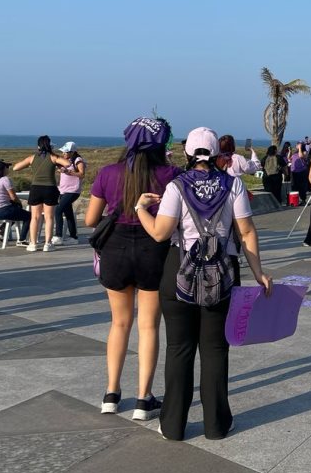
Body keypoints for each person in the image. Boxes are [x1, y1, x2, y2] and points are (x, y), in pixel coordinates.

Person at [135, 127, 272, 441]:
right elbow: (247, 232)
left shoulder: (175, 187)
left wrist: (140, 208)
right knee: (214, 350)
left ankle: (172, 425)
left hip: (178, 272)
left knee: (179, 349)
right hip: (222, 273)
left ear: (187, 153)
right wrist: (259, 272)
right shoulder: (233, 184)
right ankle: (216, 424)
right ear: (217, 153)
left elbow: (159, 232)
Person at [85, 117, 179, 419]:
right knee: (149, 325)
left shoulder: (108, 173)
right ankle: (143, 398)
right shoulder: (171, 174)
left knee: (119, 323)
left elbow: (90, 220)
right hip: (155, 248)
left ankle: (111, 394)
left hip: (116, 248)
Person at [13, 136, 72, 252]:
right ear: (49, 145)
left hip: (36, 189)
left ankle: (33, 244)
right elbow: (68, 163)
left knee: (35, 217)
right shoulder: (53, 157)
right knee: (49, 217)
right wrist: (55, 159)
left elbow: (15, 168)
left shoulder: (32, 157)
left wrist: (30, 164)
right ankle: (47, 244)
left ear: (38, 146)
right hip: (50, 189)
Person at [0, 161, 31, 245]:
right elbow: (13, 197)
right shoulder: (5, 179)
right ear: (3, 169)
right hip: (1, 210)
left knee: (16, 212)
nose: (8, 169)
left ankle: (2, 229)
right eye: (7, 167)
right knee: (29, 216)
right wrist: (19, 203)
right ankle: (22, 240)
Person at [52, 141, 86, 245]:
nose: (64, 154)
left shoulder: (78, 160)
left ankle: (58, 236)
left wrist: (69, 172)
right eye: (63, 152)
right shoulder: (65, 160)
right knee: (68, 213)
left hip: (73, 191)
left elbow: (82, 174)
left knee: (58, 210)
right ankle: (73, 237)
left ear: (72, 152)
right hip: (63, 190)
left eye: (66, 152)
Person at [290, 138, 311, 204]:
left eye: (300, 145)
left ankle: (303, 200)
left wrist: (300, 149)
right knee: (294, 186)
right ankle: (295, 200)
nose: (298, 145)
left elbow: (301, 156)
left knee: (302, 186)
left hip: (302, 171)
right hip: (294, 171)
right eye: (298, 144)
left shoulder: (305, 152)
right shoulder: (294, 153)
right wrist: (290, 151)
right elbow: (289, 158)